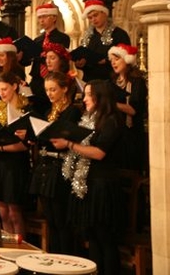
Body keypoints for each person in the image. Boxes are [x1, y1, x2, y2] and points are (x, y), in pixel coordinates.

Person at [51, 80, 126, 274]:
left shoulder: (112, 120)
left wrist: (69, 144)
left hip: (104, 185)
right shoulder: (89, 118)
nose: (84, 100)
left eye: (88, 95)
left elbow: (99, 152)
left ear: (100, 96)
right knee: (91, 236)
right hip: (88, 183)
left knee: (104, 238)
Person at [29, 72, 81, 254]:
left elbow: (68, 134)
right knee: (50, 218)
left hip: (60, 167)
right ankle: (54, 257)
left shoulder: (72, 111)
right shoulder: (48, 112)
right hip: (45, 165)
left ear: (65, 89)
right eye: (47, 90)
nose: (49, 94)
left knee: (61, 219)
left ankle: (66, 259)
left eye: (53, 89)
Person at [0, 72, 31, 238]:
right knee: (2, 211)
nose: (1, 93)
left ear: (15, 86)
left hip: (15, 164)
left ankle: (21, 248)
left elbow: (25, 145)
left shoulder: (26, 110)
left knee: (14, 212)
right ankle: (7, 247)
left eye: (4, 89)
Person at [108, 44, 148, 172]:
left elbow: (133, 110)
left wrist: (110, 103)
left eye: (117, 59)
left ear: (127, 60)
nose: (113, 63)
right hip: (116, 132)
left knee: (130, 170)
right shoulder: (113, 80)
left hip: (132, 134)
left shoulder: (137, 82)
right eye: (111, 60)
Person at [28, 3, 71, 112]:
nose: (41, 20)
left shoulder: (62, 38)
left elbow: (60, 56)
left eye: (44, 17)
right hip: (37, 79)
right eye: (40, 18)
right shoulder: (37, 40)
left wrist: (40, 57)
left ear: (54, 18)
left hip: (54, 78)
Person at [75, 0, 130, 81]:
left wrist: (106, 60)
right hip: (90, 81)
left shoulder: (119, 34)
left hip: (112, 80)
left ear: (104, 13)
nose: (93, 19)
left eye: (95, 15)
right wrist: (80, 63)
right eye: (90, 18)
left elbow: (126, 58)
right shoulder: (87, 37)